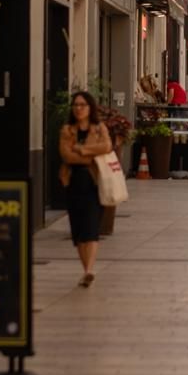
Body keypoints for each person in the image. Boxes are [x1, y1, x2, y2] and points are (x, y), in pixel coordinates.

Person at [58, 91, 113, 288]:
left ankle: (89, 270)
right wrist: (91, 154)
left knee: (91, 227)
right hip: (73, 181)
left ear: (90, 108)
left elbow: (107, 146)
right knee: (78, 230)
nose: (79, 108)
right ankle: (86, 270)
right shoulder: (67, 130)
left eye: (82, 105)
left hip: (94, 182)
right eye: (76, 105)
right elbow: (67, 156)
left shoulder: (99, 129)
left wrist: (82, 150)